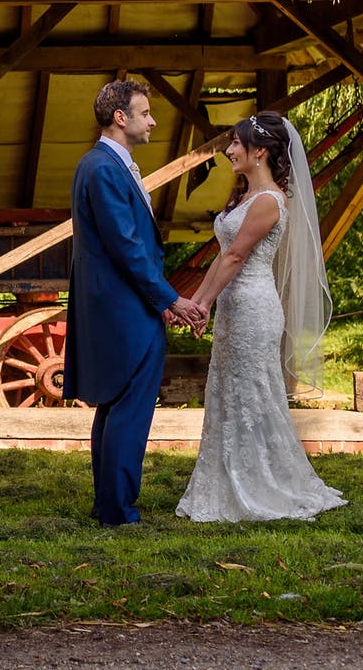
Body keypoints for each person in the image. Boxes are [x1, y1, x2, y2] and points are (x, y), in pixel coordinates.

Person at [175, 111, 347, 522]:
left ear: (261, 151)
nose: (230, 150)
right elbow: (222, 257)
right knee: (227, 392)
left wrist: (202, 304)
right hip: (234, 305)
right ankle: (224, 480)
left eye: (237, 144)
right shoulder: (246, 197)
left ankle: (264, 483)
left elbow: (236, 256)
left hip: (253, 307)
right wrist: (197, 302)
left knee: (253, 394)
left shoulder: (270, 201)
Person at [66, 79, 207, 526]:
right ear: (120, 118)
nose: (153, 120)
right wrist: (169, 298)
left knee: (116, 406)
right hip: (123, 308)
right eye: (145, 113)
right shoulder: (104, 168)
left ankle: (108, 501)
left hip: (126, 302)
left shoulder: (107, 164)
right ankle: (117, 510)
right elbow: (126, 246)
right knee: (129, 407)